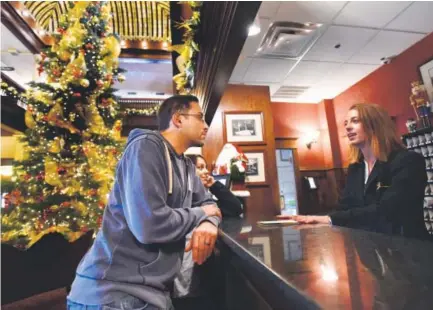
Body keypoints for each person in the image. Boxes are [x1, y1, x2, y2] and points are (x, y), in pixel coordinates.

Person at [67, 95, 222, 310]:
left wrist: (208, 223)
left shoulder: (186, 166)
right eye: (200, 118)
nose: (205, 126)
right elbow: (149, 225)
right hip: (112, 296)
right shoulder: (146, 146)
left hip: (151, 295)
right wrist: (201, 213)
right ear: (178, 119)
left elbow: (209, 205)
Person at [279, 103, 428, 239]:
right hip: (372, 254)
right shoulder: (356, 168)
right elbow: (345, 207)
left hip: (410, 251)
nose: (348, 127)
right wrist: (312, 219)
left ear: (375, 125)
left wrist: (329, 219)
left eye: (355, 121)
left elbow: (389, 209)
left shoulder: (408, 161)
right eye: (346, 123)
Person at [171, 154, 243, 310]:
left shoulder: (208, 200)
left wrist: (214, 185)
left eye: (205, 167)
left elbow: (235, 207)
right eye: (199, 167)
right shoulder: (182, 199)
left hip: (201, 280)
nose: (205, 172)